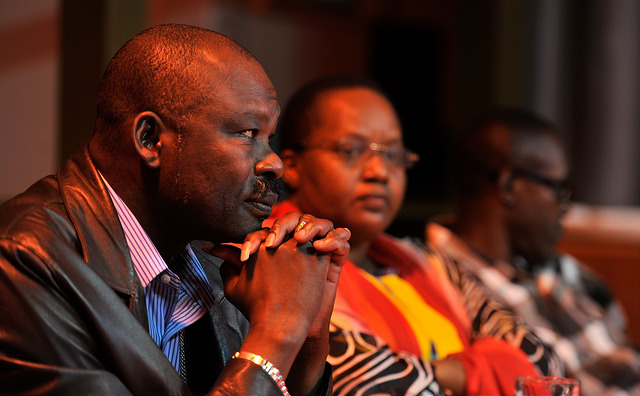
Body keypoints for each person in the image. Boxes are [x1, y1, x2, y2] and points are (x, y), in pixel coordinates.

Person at [0, 24, 352, 395]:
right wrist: (276, 334)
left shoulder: (220, 269)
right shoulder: (23, 259)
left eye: (269, 137)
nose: (275, 163)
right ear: (151, 139)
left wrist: (307, 341)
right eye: (248, 133)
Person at [266, 75, 562, 396]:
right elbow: (364, 382)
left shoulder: (428, 263)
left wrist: (421, 371)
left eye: (392, 155)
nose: (379, 172)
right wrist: (484, 370)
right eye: (351, 150)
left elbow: (540, 364)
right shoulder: (279, 260)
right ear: (293, 166)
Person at [426, 108, 640, 395]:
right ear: (509, 186)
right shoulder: (436, 280)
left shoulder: (572, 273)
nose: (564, 207)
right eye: (557, 189)